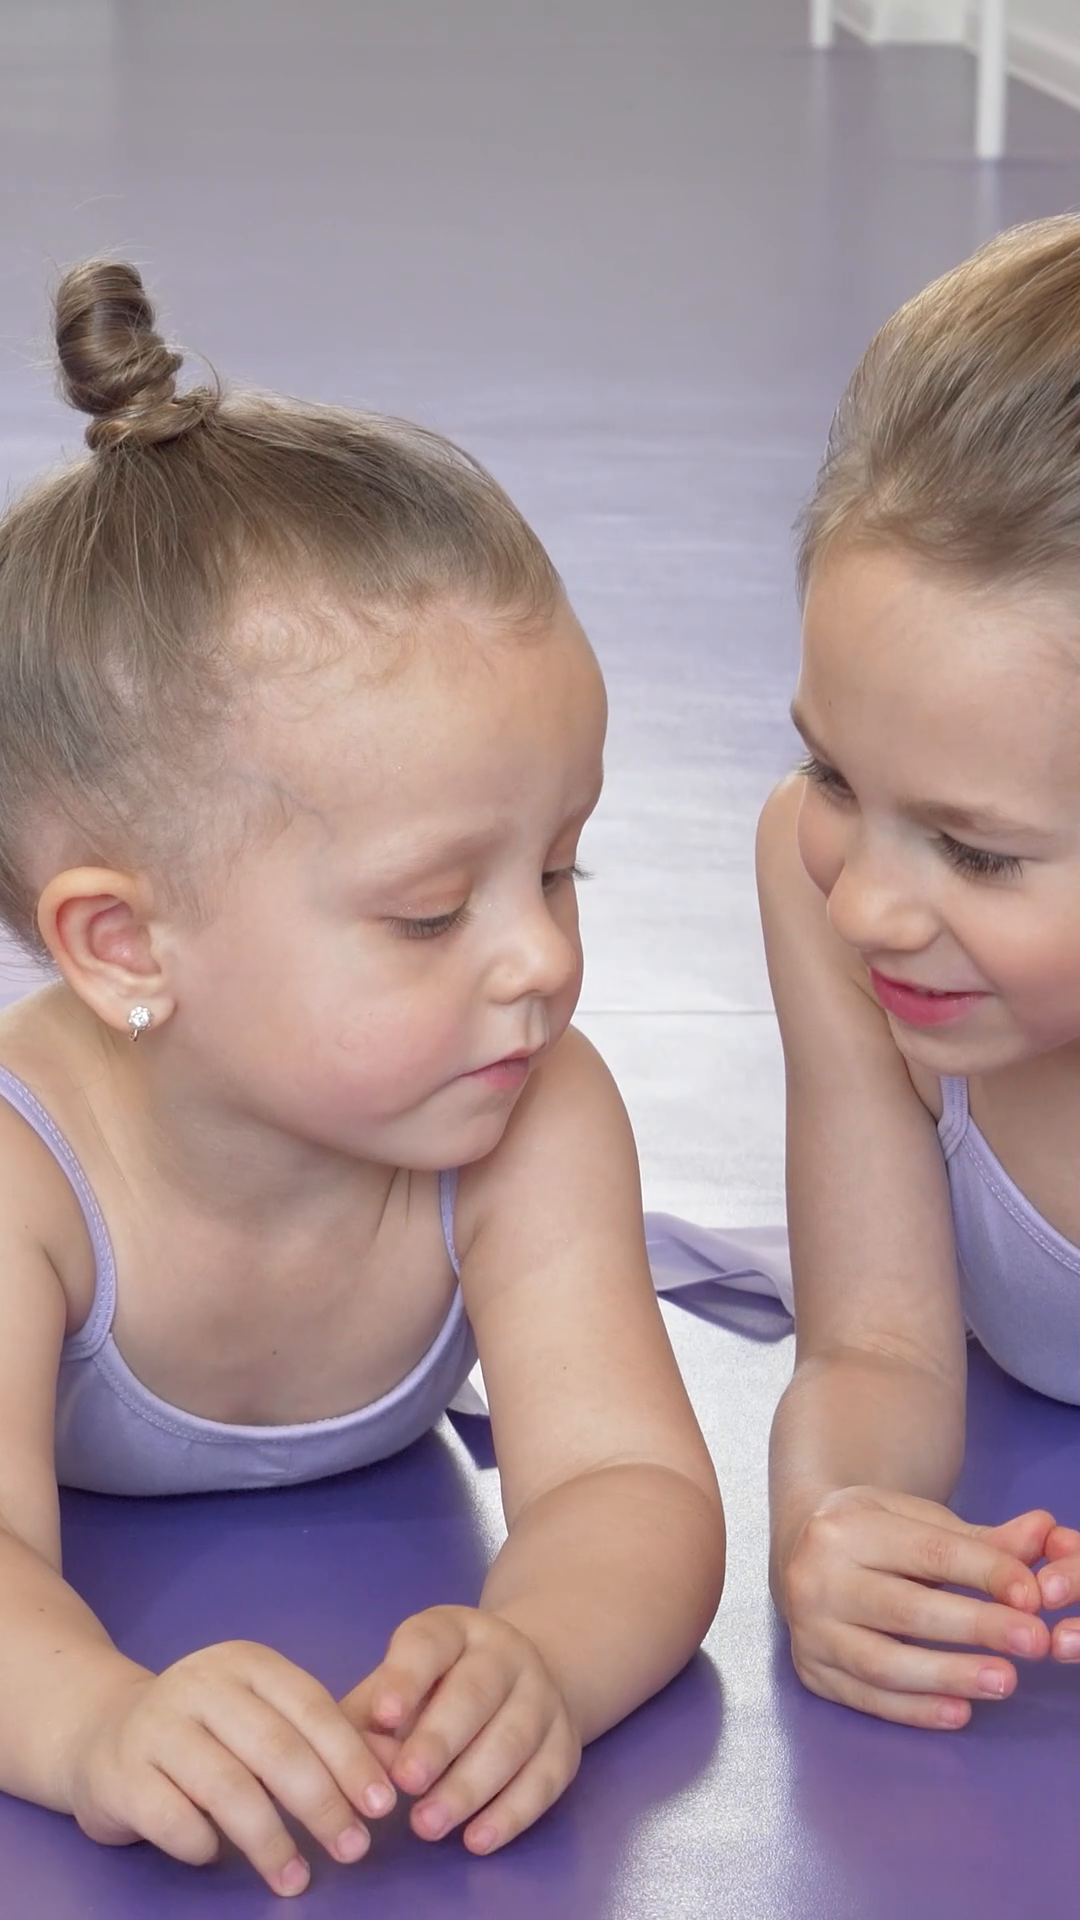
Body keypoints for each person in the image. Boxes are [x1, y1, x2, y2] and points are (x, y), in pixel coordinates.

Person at [0, 259, 724, 1895]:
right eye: (428, 914)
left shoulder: (532, 1113)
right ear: (126, 945)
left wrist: (543, 1656)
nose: (538, 960)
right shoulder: (26, 1172)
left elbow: (627, 1484)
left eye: (563, 869)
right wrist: (95, 1724)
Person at [756, 215, 1080, 1734]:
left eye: (978, 851)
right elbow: (876, 1343)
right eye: (834, 773)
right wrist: (838, 1520)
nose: (871, 903)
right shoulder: (821, 891)